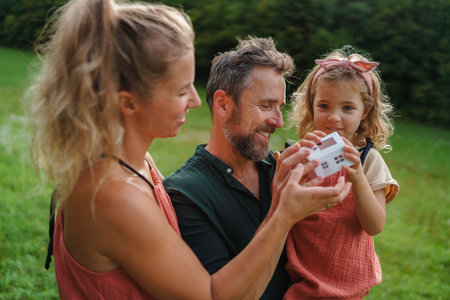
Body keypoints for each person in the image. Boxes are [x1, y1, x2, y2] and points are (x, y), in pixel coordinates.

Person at [28, 1, 351, 299]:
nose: (197, 102)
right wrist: (283, 215)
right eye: (182, 91)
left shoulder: (134, 162)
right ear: (128, 102)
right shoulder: (114, 195)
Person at [163, 37, 352, 300]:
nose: (277, 121)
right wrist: (282, 215)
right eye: (265, 106)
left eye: (280, 108)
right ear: (223, 104)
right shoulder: (185, 194)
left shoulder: (282, 169)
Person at [283, 46, 400, 299]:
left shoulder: (369, 161)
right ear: (311, 107)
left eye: (348, 108)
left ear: (364, 112)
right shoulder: (299, 154)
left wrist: (357, 176)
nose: (334, 118)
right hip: (300, 280)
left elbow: (375, 225)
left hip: (349, 284)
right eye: (324, 105)